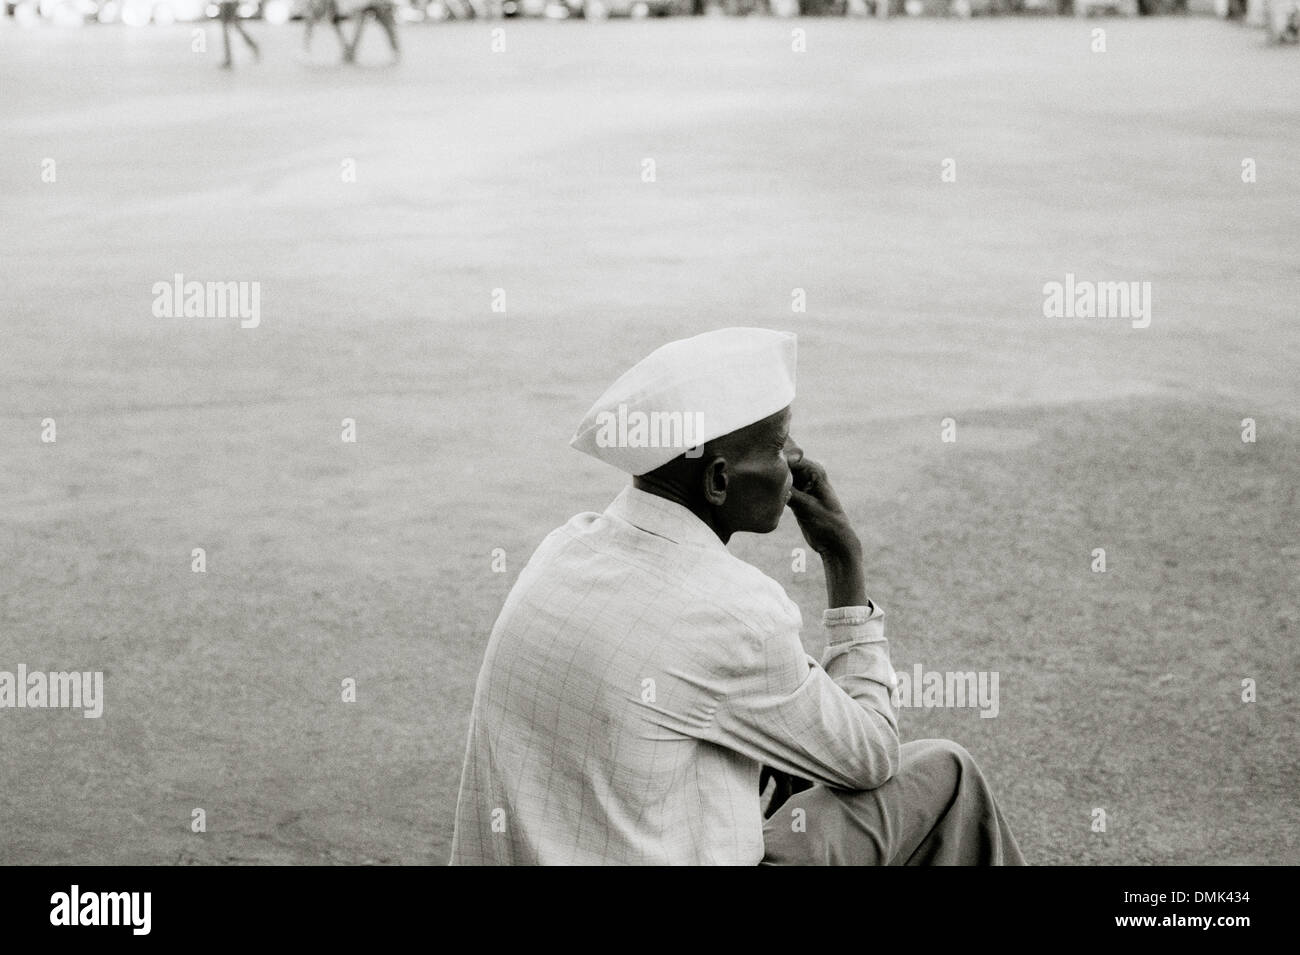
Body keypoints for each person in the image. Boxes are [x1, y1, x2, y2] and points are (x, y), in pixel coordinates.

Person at [449, 328, 1026, 865]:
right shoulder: (734, 611)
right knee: (945, 775)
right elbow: (872, 755)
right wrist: (844, 563)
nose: (796, 459)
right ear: (719, 480)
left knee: (786, 758)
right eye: (777, 445)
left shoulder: (563, 549)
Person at [345, 0, 400, 64]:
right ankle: (351, 53)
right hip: (369, 4)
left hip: (379, 4)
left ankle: (396, 52)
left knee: (388, 27)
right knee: (358, 29)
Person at [216, 1, 259, 69]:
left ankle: (228, 58)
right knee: (233, 27)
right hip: (228, 3)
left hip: (228, 3)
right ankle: (253, 45)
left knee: (229, 29)